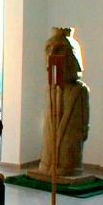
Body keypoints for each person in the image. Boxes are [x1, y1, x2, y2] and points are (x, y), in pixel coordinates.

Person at [37, 27, 90, 176]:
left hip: (70, 140)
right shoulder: (50, 89)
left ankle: (67, 166)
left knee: (67, 151)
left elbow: (84, 118)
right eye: (49, 49)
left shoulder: (80, 90)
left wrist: (84, 130)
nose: (52, 55)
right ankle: (48, 164)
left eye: (59, 50)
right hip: (50, 146)